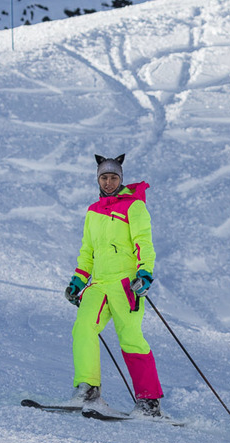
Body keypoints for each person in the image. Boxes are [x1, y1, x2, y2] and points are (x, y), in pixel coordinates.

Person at [64, 154, 165, 417]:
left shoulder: (134, 207)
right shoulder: (93, 212)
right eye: (104, 177)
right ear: (98, 180)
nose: (108, 182)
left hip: (125, 284)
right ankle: (88, 390)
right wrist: (77, 281)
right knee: (83, 328)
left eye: (113, 177)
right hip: (98, 283)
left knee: (130, 338)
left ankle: (149, 402)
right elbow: (87, 251)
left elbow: (144, 242)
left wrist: (145, 274)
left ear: (121, 179)